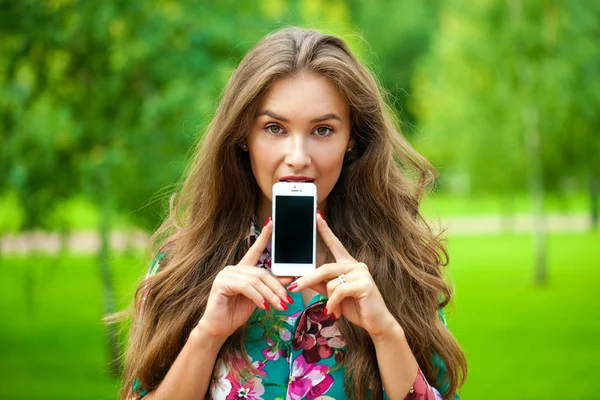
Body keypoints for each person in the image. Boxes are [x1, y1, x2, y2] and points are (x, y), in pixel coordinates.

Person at [118, 27, 467, 400]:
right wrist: (207, 336)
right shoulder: (182, 264)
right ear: (242, 136)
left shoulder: (402, 264)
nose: (298, 157)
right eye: (274, 128)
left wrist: (386, 334)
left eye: (322, 130)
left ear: (353, 139)